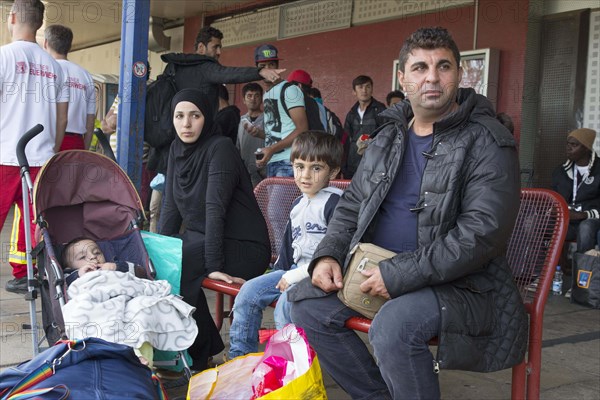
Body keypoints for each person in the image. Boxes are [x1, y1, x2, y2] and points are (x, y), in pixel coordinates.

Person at [289, 27, 528, 399]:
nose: (431, 77)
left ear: (459, 75)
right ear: (403, 78)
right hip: (379, 269)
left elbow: (483, 233)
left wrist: (399, 273)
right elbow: (352, 205)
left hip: (462, 285)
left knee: (394, 326)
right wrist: (328, 254)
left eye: (443, 66)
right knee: (306, 305)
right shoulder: (389, 135)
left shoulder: (488, 139)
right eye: (419, 68)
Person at [159, 88, 271, 371]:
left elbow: (215, 208)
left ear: (206, 117)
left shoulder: (220, 148)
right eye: (179, 116)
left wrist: (213, 264)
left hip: (242, 245)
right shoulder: (175, 149)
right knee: (161, 263)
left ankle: (199, 355)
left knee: (178, 266)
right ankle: (203, 348)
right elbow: (170, 206)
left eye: (194, 116)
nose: (186, 124)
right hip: (206, 239)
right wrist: (157, 247)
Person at [228, 131, 343, 359]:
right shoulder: (298, 203)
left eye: (316, 168)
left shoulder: (335, 203)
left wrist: (292, 277)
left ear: (334, 171)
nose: (305, 175)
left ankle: (289, 365)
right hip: (293, 272)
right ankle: (239, 358)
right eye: (299, 166)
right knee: (248, 293)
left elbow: (340, 253)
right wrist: (275, 275)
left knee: (285, 304)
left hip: (322, 277)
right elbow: (288, 250)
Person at [1, 0, 69, 294]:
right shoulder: (55, 67)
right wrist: (49, 149)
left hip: (4, 156)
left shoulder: (3, 56)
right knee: (35, 223)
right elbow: (61, 117)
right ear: (40, 23)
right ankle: (30, 276)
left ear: (12, 17)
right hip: (40, 158)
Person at [61, 237, 197, 368]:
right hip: (95, 303)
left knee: (142, 312)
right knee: (84, 314)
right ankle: (125, 357)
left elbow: (140, 273)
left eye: (97, 252)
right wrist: (79, 274)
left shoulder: (114, 266)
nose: (92, 257)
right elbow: (70, 286)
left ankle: (138, 355)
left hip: (126, 298)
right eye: (82, 257)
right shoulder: (72, 276)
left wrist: (116, 267)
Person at [253, 44, 309, 177]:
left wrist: (271, 149)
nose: (268, 70)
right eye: (263, 66)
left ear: (277, 66)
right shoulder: (267, 94)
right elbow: (279, 131)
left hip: (288, 161)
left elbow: (302, 129)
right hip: (272, 161)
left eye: (271, 64)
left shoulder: (290, 90)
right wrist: (260, 135)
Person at [43, 24, 96, 151]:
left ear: (45, 43)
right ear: (69, 46)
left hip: (49, 140)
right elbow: (90, 121)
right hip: (76, 143)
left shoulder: (46, 71)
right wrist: (84, 149)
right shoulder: (85, 76)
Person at [551, 128, 600, 254]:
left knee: (586, 227)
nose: (569, 148)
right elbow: (553, 199)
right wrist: (557, 211)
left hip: (591, 220)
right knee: (540, 224)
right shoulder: (560, 171)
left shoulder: (598, 169)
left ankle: (583, 272)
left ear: (586, 148)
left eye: (574, 145)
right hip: (568, 220)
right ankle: (543, 270)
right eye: (568, 144)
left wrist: (583, 215)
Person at [342, 75, 386, 179]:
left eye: (368, 87)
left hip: (374, 161)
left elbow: (387, 135)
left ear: (372, 90)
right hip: (353, 162)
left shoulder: (380, 109)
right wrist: (344, 165)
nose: (364, 90)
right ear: (354, 91)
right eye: (360, 87)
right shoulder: (351, 113)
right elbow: (346, 139)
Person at [237, 82, 266, 187]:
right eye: (249, 96)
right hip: (245, 171)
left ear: (261, 99)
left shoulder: (268, 119)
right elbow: (238, 146)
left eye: (257, 95)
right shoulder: (240, 121)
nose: (253, 99)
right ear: (244, 100)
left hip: (263, 171)